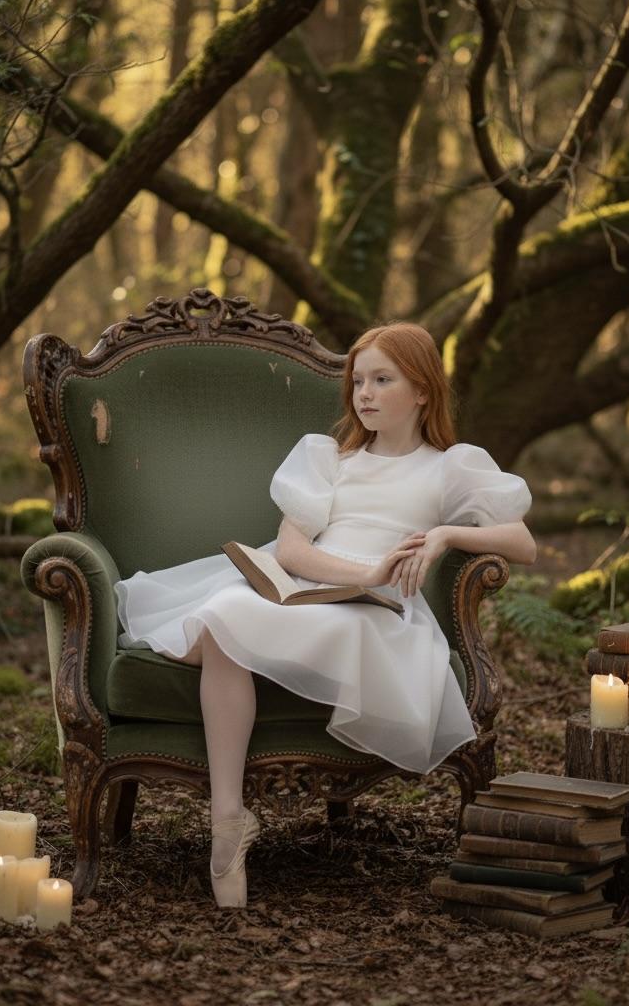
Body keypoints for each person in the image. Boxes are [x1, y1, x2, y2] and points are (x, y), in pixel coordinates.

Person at [114, 322, 536, 909]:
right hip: (312, 584)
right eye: (358, 381)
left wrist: (444, 534)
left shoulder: (449, 467)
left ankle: (228, 824)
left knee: (246, 627)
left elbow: (522, 542)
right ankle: (228, 819)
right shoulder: (330, 458)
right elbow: (291, 551)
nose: (364, 394)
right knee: (223, 617)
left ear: (422, 390)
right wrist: (365, 570)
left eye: (382, 380)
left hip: (374, 612)